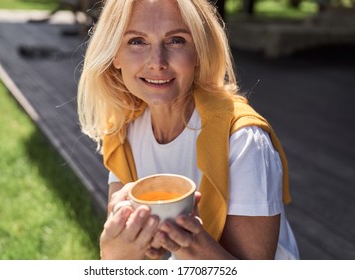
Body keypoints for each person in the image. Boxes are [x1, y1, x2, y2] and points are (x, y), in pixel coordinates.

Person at [77, 0, 300, 260]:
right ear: (115, 54)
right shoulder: (122, 131)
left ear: (199, 51)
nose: (157, 62)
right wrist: (114, 252)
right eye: (137, 41)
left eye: (176, 41)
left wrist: (189, 245)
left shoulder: (242, 141)